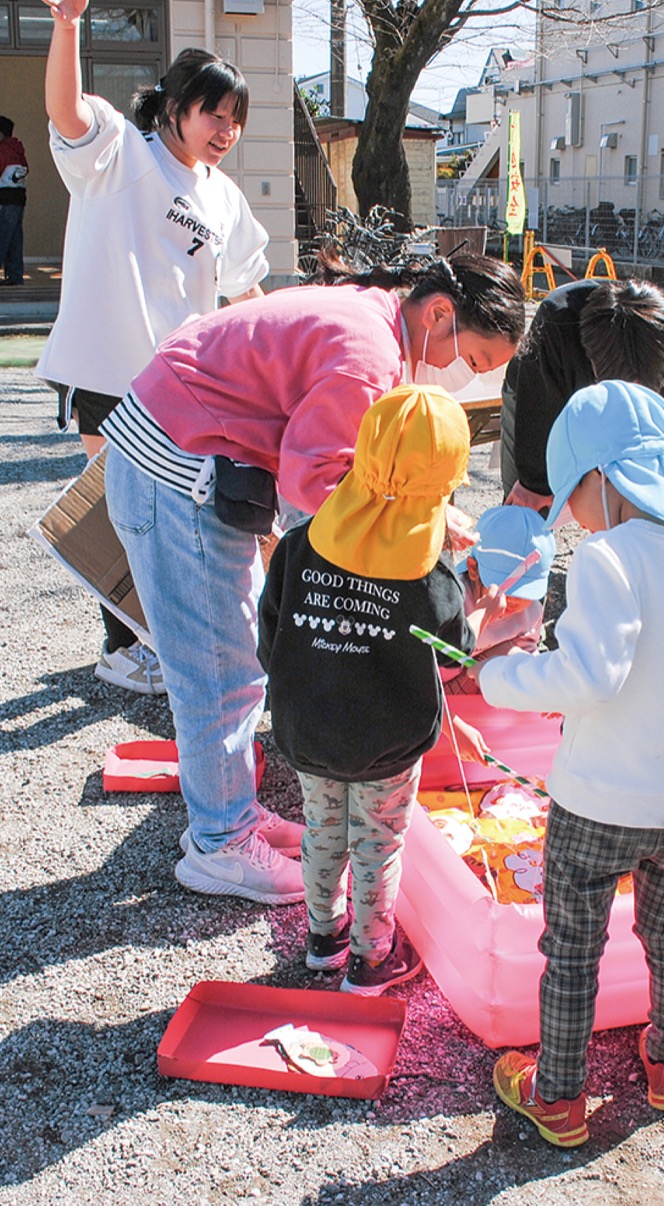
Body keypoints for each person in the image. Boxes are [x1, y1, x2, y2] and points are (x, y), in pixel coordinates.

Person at [100, 252, 525, 906]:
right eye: (472, 358)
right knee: (218, 669)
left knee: (237, 660)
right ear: (441, 312)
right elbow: (317, 484)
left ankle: (232, 816)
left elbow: (353, 471)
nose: (460, 376)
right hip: (177, 472)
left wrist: (433, 509)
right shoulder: (368, 355)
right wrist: (408, 544)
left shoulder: (375, 318)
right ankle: (220, 845)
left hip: (185, 455)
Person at [478, 380, 664, 1147]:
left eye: (572, 495)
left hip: (596, 803)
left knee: (573, 953)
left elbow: (589, 676)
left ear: (605, 479)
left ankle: (558, 1095)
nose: (571, 518)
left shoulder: (610, 557)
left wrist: (501, 675)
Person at [37, 0, 271, 693]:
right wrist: (69, 24)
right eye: (214, 114)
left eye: (235, 120)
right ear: (174, 107)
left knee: (172, 516)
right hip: (108, 370)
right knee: (123, 511)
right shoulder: (119, 152)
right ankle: (125, 648)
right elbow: (66, 111)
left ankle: (156, 639)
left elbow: (247, 294)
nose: (225, 131)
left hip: (180, 386)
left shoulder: (224, 198)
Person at [258, 386, 488, 994]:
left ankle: (322, 939)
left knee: (323, 830)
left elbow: (270, 636)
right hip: (388, 743)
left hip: (307, 730)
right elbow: (452, 658)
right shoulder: (431, 574)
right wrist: (478, 598)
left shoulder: (301, 545)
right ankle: (370, 958)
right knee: (377, 845)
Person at [500, 277, 664, 511]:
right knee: (526, 506)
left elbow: (660, 434)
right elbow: (536, 411)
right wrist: (534, 483)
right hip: (538, 393)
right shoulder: (558, 319)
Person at [443, 504, 555, 695]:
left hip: (487, 687)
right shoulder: (453, 600)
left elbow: (526, 649)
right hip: (442, 689)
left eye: (526, 593)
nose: (512, 600)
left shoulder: (532, 611)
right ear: (472, 569)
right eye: (505, 588)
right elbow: (428, 667)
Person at [0, 115, 28, 287]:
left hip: (4, 199)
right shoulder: (18, 148)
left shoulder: (2, 150)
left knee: (2, 237)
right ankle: (15, 275)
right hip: (19, 199)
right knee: (15, 238)